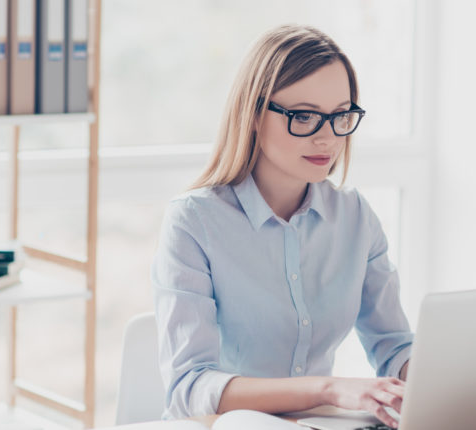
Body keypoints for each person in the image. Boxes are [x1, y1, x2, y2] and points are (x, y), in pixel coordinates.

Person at [151, 24, 413, 428]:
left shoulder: (355, 216)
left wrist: (449, 382)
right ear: (254, 115)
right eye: (305, 116)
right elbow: (190, 387)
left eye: (341, 115)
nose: (327, 137)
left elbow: (394, 346)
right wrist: (327, 389)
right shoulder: (194, 222)